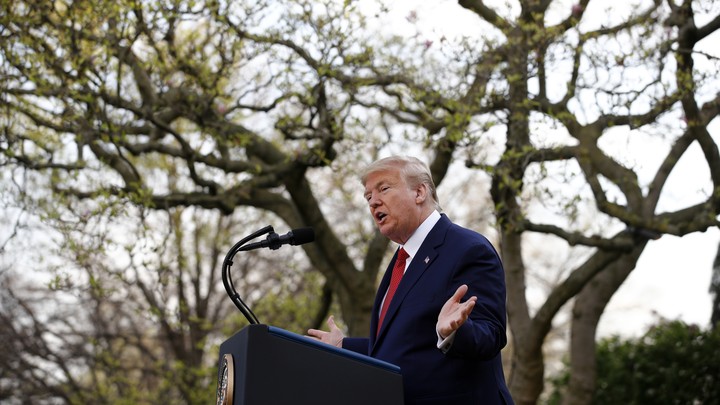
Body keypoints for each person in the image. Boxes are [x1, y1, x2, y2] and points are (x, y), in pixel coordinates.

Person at [307, 156, 514, 405]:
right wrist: (344, 345)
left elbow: (491, 334)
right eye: (368, 196)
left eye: (383, 188)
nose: (373, 201)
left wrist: (455, 332)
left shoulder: (467, 249)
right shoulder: (402, 261)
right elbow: (404, 347)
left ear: (419, 192)